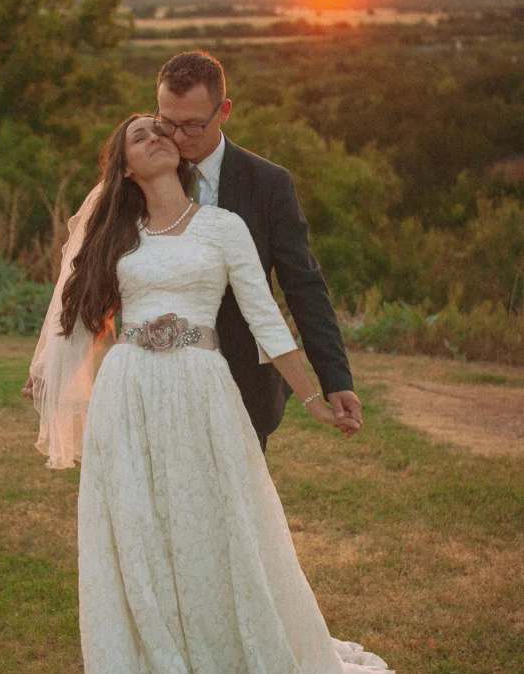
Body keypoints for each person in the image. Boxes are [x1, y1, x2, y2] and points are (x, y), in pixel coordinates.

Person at [25, 112, 396, 674]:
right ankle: (160, 667)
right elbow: (80, 318)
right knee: (142, 531)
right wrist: (49, 379)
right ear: (123, 166)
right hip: (130, 393)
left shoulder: (224, 228)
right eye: (138, 136)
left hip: (201, 390)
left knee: (214, 527)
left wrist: (312, 395)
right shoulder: (114, 236)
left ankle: (228, 662)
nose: (155, 137)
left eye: (160, 131)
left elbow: (265, 320)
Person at [25, 49, 362, 454]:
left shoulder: (268, 184)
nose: (177, 137)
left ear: (224, 112)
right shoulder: (139, 182)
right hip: (144, 384)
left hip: (242, 379)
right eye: (167, 122)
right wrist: (57, 363)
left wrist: (335, 379)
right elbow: (93, 282)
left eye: (191, 126)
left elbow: (303, 286)